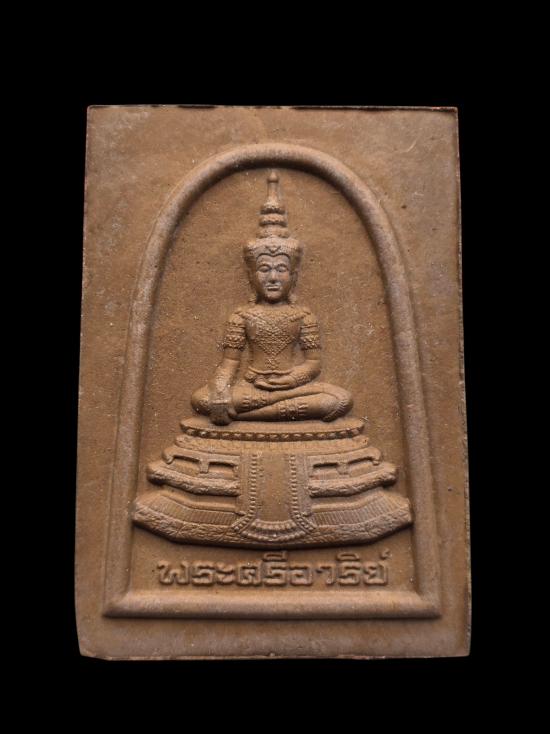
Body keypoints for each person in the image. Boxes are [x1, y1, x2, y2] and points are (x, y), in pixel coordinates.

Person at [191, 171, 353, 426]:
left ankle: (257, 412)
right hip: (250, 387)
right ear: (251, 276)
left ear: (293, 275)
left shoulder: (302, 315)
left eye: (281, 269)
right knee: (202, 399)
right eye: (265, 269)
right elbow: (229, 363)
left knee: (338, 401)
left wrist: (292, 379)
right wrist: (221, 390)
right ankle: (271, 410)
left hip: (292, 388)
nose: (273, 277)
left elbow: (313, 363)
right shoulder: (242, 316)